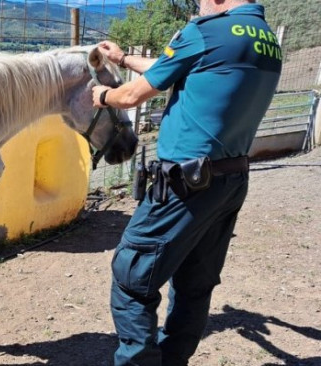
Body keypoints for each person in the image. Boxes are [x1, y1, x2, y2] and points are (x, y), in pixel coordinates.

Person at [90, 0, 282, 365]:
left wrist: (101, 97)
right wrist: (125, 59)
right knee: (195, 283)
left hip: (184, 185)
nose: (198, 5)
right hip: (230, 181)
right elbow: (182, 69)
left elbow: (132, 95)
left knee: (132, 278)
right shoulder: (266, 40)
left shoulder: (205, 31)